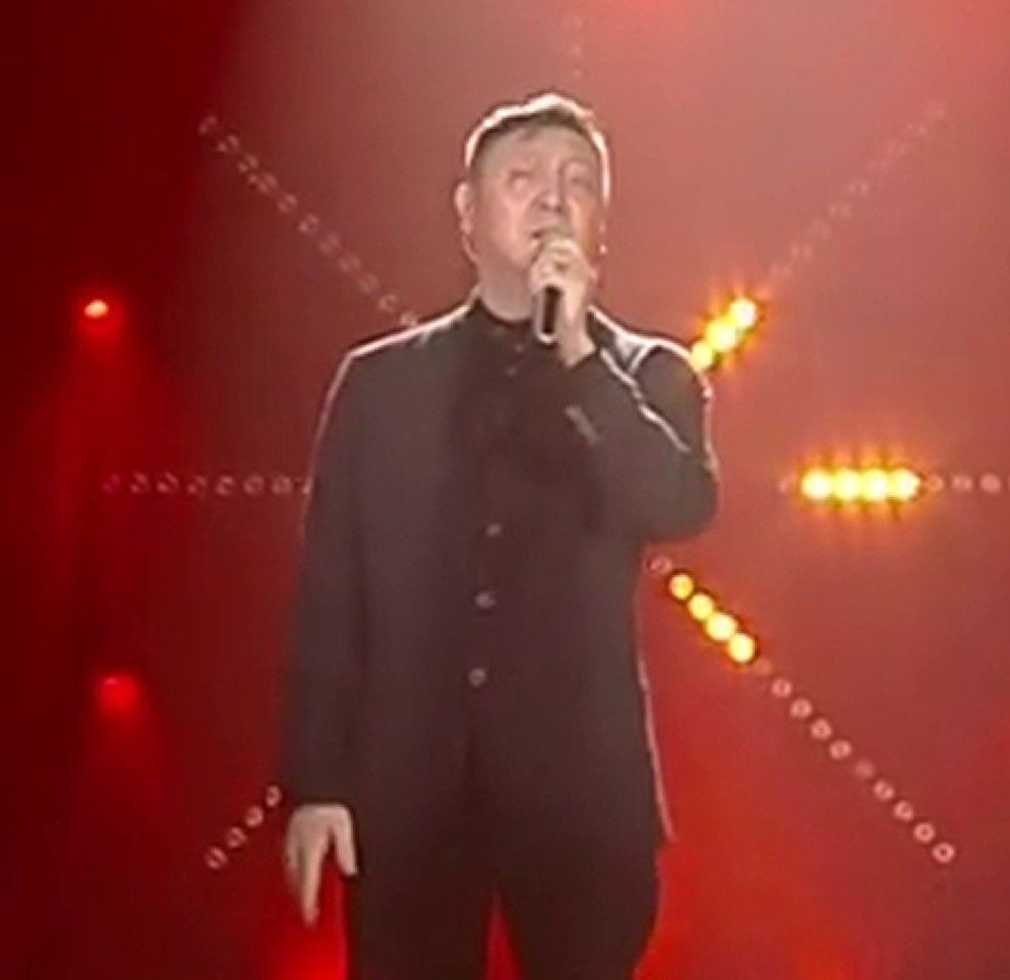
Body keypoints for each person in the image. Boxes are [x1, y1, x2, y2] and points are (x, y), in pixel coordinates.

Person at [279, 92, 718, 978]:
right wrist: (316, 782)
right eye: (523, 179)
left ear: (601, 225)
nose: (553, 199)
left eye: (578, 183)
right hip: (411, 795)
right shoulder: (381, 384)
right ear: (468, 215)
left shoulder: (649, 375)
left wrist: (580, 360)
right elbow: (331, 592)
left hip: (582, 802)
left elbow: (678, 504)